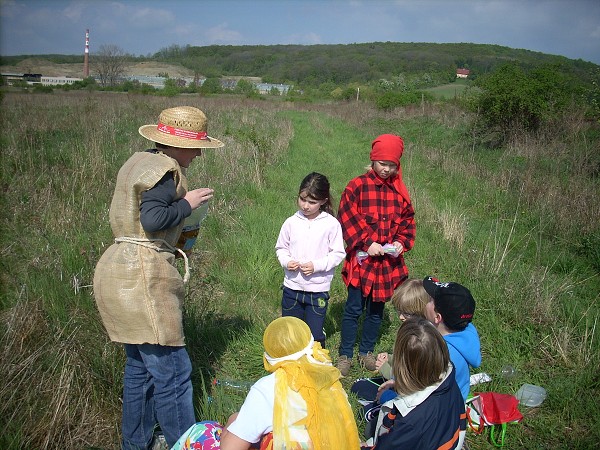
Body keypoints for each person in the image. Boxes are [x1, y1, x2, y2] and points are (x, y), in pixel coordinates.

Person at [93, 106, 224, 449]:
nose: (198, 154)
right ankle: (186, 443)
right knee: (174, 373)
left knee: (139, 370)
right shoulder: (166, 171)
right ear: (176, 144)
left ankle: (135, 443)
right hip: (143, 277)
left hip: (118, 267)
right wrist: (189, 203)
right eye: (196, 147)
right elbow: (152, 220)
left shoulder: (140, 161)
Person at [173, 317, 361, 450]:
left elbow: (230, 447)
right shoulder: (329, 377)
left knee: (202, 431)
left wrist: (233, 419)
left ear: (270, 355)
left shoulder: (269, 388)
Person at [337, 134, 416, 376]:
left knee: (375, 311)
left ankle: (367, 352)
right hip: (363, 262)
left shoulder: (398, 192)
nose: (386, 169)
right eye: (382, 163)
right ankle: (345, 354)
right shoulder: (357, 186)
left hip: (385, 266)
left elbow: (407, 221)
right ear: (373, 160)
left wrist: (401, 242)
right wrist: (366, 242)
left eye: (392, 165)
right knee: (353, 309)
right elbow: (346, 216)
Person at [362, 318, 466, 450]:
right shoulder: (449, 377)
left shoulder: (409, 421)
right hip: (449, 439)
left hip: (424, 438)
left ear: (401, 366)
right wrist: (398, 383)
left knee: (368, 427)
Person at [275, 172, 345, 347]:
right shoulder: (291, 222)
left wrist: (316, 266)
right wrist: (286, 261)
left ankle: (315, 364)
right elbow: (281, 248)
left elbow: (337, 254)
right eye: (302, 199)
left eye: (312, 202)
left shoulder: (331, 224)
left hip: (317, 291)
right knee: (290, 331)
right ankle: (291, 365)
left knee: (314, 333)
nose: (305, 206)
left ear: (323, 201)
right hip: (292, 289)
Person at [422, 276, 482, 402]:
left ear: (437, 317)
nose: (426, 302)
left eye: (430, 300)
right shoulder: (468, 333)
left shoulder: (439, 354)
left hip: (443, 409)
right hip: (459, 397)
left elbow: (422, 391)